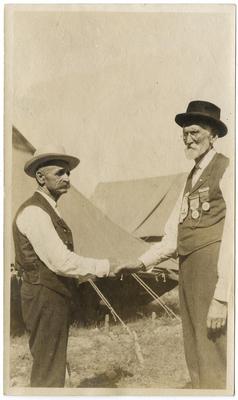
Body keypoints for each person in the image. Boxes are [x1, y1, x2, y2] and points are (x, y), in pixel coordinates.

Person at [126, 101, 233, 389]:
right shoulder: (191, 178)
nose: (188, 139)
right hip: (189, 277)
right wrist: (141, 262)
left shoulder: (227, 170)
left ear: (213, 134)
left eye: (195, 132)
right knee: (195, 348)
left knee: (216, 351)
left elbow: (233, 237)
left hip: (212, 277)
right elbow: (173, 236)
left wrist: (222, 298)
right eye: (184, 134)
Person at [12, 145, 125, 388]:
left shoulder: (49, 209)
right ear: (41, 178)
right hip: (43, 297)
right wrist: (106, 266)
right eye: (60, 173)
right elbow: (60, 261)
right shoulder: (34, 212)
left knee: (53, 363)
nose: (67, 178)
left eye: (68, 173)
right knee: (47, 370)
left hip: (51, 296)